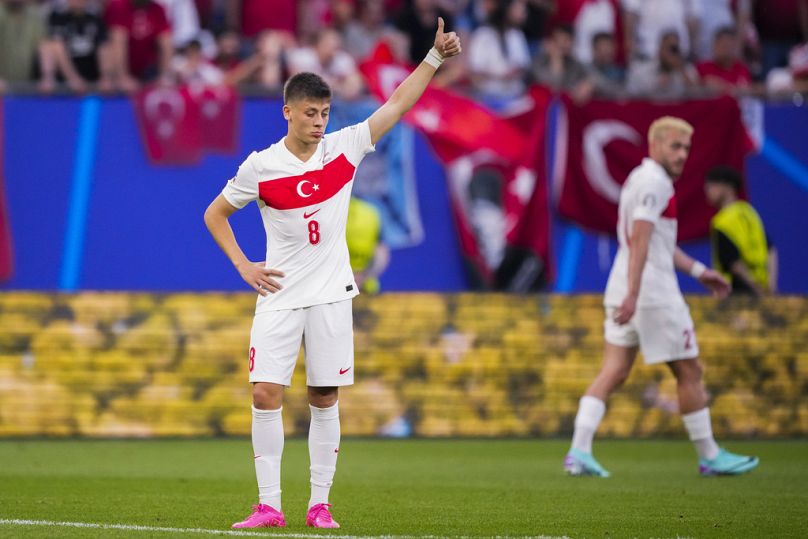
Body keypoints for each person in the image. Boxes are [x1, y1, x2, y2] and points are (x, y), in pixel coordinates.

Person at [203, 17, 461, 529]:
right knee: (263, 393)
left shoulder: (344, 147)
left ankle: (319, 504)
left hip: (329, 293)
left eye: (324, 112)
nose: (319, 122)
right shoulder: (262, 166)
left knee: (324, 396)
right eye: (309, 113)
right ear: (287, 113)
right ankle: (269, 506)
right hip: (278, 294)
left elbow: (398, 105)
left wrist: (432, 59)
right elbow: (214, 214)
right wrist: (243, 264)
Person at [564, 117, 760, 478]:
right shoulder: (655, 183)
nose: (682, 154)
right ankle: (710, 455)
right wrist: (635, 295)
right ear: (654, 145)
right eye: (675, 146)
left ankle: (579, 450)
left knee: (614, 370)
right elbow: (641, 238)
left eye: (686, 148)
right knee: (689, 369)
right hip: (651, 292)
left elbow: (656, 243)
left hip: (622, 284)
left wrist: (701, 273)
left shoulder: (639, 180)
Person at [705, 165, 777, 296]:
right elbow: (771, 251)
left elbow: (734, 265)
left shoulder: (722, 222)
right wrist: (771, 286)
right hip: (762, 291)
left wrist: (756, 290)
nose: (707, 191)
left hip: (734, 296)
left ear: (727, 187)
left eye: (711, 186)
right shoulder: (750, 213)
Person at [696, 27, 752, 94]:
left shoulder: (742, 69)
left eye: (727, 45)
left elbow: (747, 90)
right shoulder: (702, 67)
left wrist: (723, 86)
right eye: (721, 45)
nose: (724, 50)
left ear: (734, 47)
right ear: (714, 45)